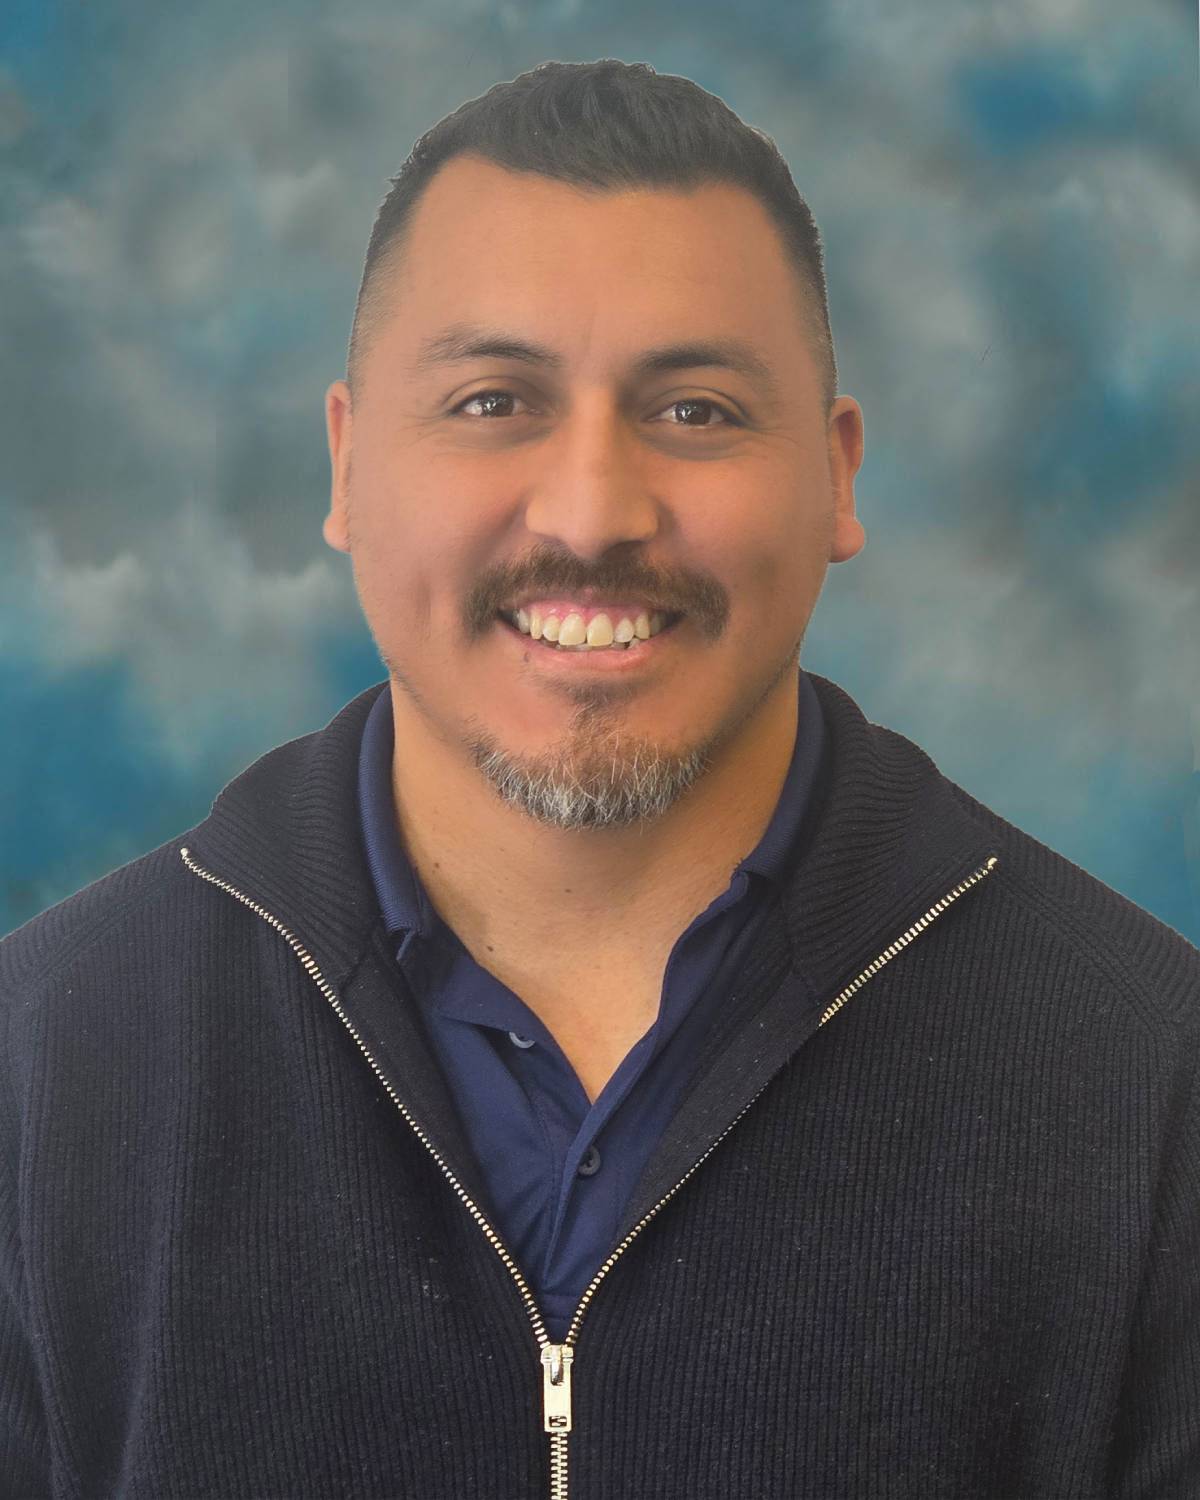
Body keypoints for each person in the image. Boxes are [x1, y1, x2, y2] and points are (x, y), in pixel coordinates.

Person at [1, 58, 1196, 1500]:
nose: (590, 514)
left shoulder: (1155, 1086)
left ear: (836, 477)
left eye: (693, 411)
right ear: (349, 465)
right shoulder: (38, 1069)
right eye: (493, 400)